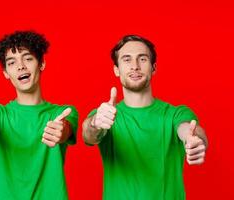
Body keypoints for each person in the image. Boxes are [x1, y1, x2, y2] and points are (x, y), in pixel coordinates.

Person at [82, 35, 208, 200]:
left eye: (142, 59)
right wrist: (95, 123)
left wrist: (195, 141)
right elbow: (88, 134)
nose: (135, 66)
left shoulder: (175, 114)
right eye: (127, 60)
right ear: (116, 70)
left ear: (153, 68)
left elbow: (188, 129)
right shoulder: (105, 114)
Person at [0, 31, 78, 200]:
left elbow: (66, 129)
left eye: (28, 58)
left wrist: (61, 130)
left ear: (42, 63)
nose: (21, 66)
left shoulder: (62, 113)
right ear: (5, 72)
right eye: (12, 62)